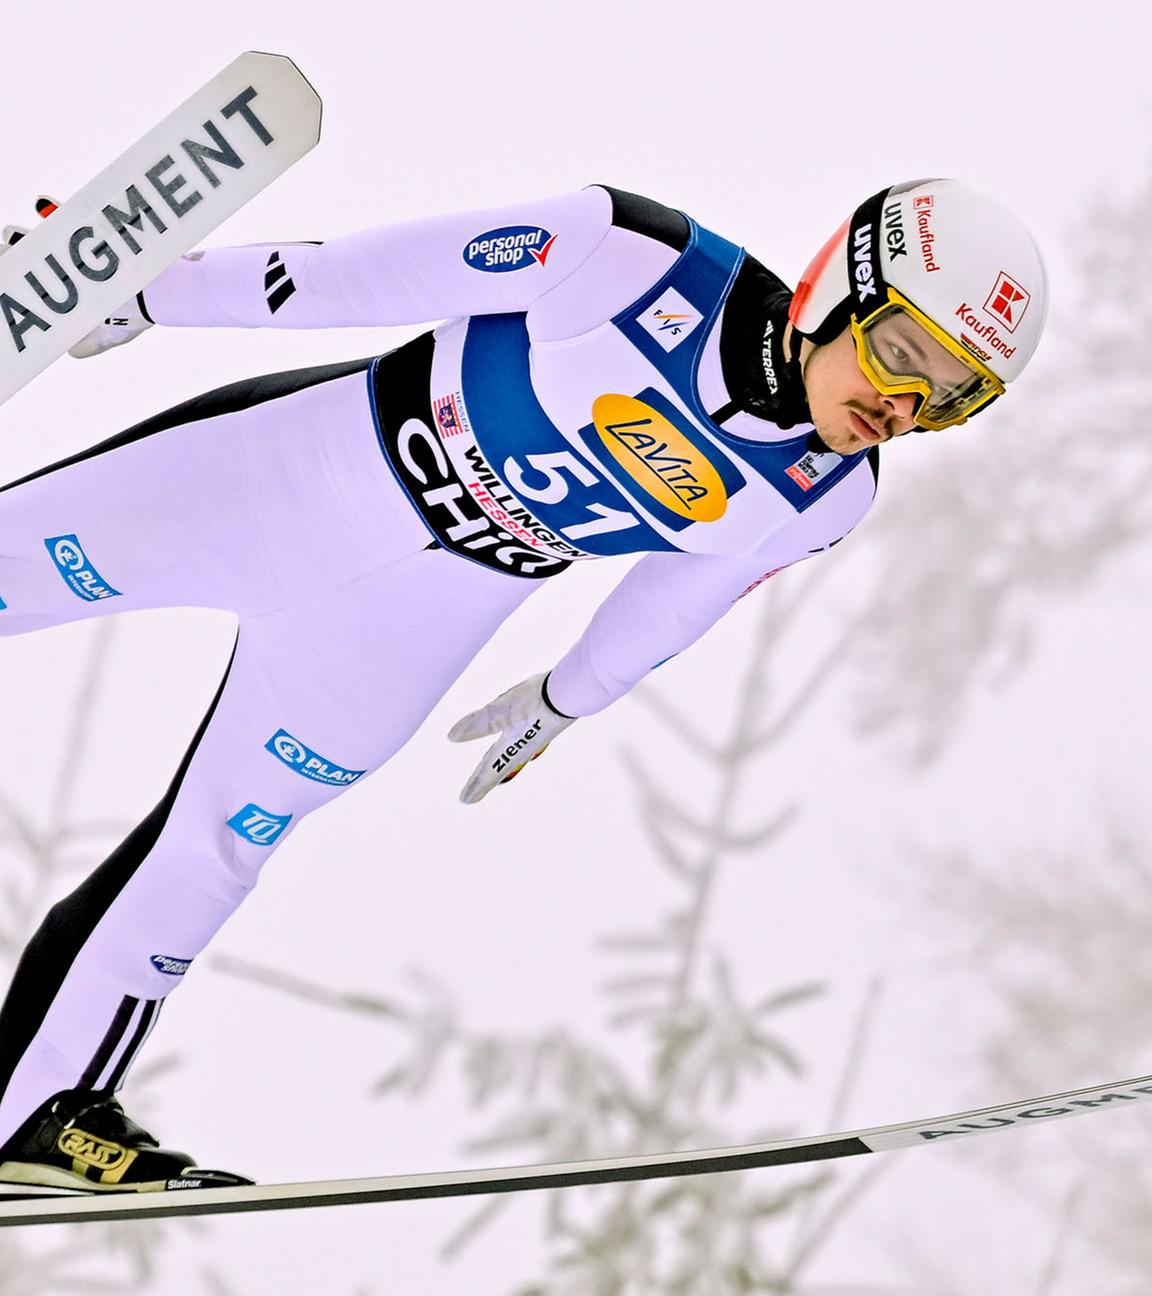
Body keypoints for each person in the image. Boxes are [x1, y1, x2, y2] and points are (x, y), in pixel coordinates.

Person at [0, 179, 1047, 1194]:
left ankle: (37, 1107)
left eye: (948, 399)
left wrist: (567, 697)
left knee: (224, 845)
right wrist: (142, 291)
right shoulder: (627, 256)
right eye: (901, 353)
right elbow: (338, 281)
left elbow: (679, 599)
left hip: (398, 633)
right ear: (838, 287)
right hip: (275, 482)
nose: (899, 406)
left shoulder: (823, 492)